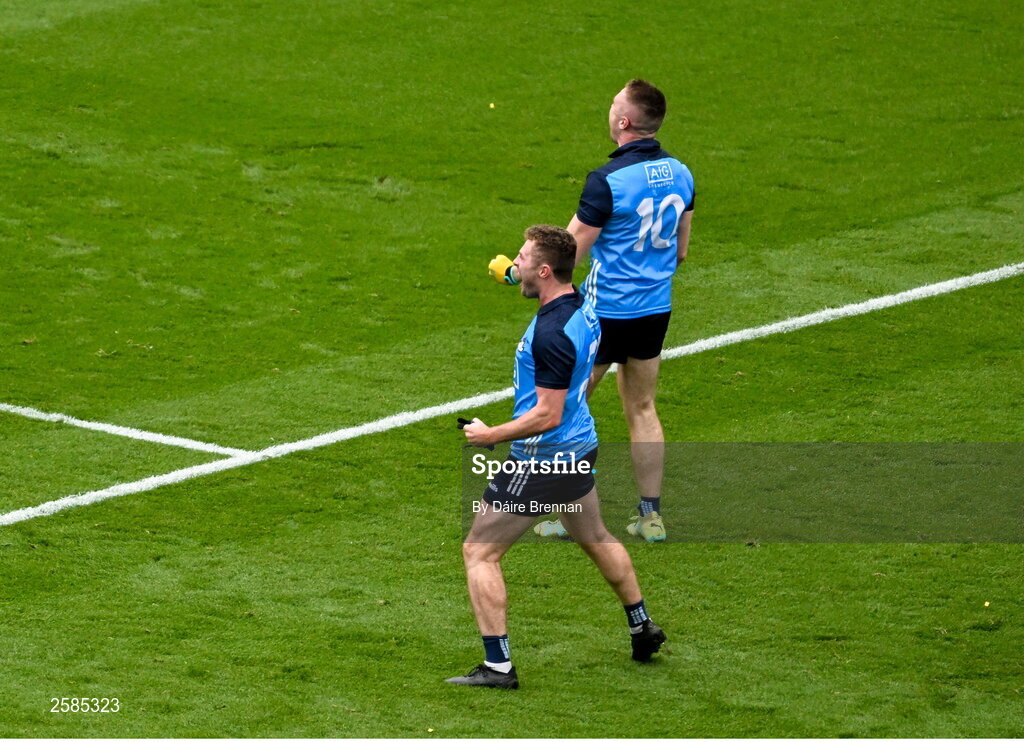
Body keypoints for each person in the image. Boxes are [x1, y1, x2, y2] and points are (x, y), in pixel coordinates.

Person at [451, 225, 666, 689]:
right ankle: (641, 625)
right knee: (594, 535)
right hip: (580, 445)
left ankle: (498, 667)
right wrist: (514, 274)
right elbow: (532, 278)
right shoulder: (582, 306)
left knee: (479, 553)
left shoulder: (551, 334)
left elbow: (546, 414)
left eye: (524, 259)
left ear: (546, 270)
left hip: (542, 459)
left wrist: (492, 434)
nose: (517, 263)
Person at [489, 79, 694, 543]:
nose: (609, 110)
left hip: (602, 314)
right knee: (642, 407)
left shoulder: (608, 182)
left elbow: (565, 257)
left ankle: (562, 507)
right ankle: (650, 515)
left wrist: (513, 274)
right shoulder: (682, 173)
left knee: (565, 406)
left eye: (613, 104)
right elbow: (680, 251)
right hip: (654, 309)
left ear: (624, 122)